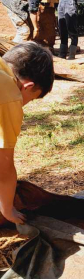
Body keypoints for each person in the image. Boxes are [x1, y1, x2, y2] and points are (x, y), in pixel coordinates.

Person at [0, 42, 54, 224]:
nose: (23, 104)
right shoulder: (9, 96)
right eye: (29, 100)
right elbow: (4, 166)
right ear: (28, 86)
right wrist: (7, 209)